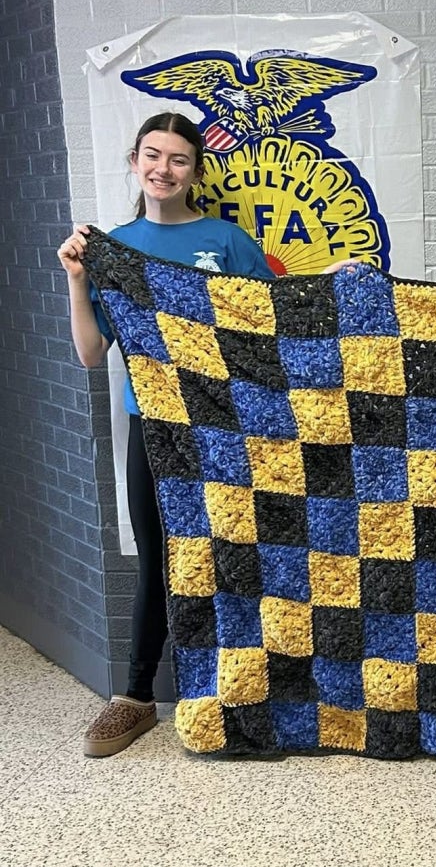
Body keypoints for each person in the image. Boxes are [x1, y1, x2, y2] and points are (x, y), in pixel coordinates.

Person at [58, 112, 277, 757]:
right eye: (152, 155)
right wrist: (78, 280)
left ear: (194, 172)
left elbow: (273, 330)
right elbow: (93, 353)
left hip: (228, 430)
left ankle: (252, 687)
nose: (164, 168)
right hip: (154, 432)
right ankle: (133, 696)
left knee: (241, 550)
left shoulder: (227, 241)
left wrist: (342, 289)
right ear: (134, 162)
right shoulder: (115, 248)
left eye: (179, 159)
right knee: (159, 554)